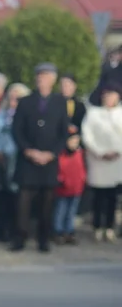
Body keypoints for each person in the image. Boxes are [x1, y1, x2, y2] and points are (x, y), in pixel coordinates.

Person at [11, 63, 69, 253]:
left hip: (49, 160)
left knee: (47, 202)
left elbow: (63, 133)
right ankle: (20, 237)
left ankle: (43, 239)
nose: (42, 80)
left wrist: (52, 153)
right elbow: (17, 130)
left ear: (53, 80)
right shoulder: (25, 101)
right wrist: (28, 150)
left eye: (46, 76)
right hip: (28, 159)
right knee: (23, 202)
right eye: (40, 76)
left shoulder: (60, 102)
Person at [0, 83, 31, 244]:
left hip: (16, 159)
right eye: (11, 98)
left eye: (17, 98)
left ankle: (14, 230)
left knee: (15, 197)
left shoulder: (26, 116)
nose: (13, 101)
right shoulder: (0, 114)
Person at [81, 82, 122, 242]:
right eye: (107, 95)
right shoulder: (94, 114)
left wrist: (116, 151)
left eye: (113, 95)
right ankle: (97, 226)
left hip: (117, 160)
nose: (110, 98)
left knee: (113, 196)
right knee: (98, 195)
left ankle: (110, 227)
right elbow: (87, 135)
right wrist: (100, 152)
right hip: (98, 159)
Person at [53, 128, 86, 245]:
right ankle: (58, 231)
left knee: (71, 211)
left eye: (77, 141)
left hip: (76, 188)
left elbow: (81, 170)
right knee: (60, 210)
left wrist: (82, 180)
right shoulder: (61, 155)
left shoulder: (79, 153)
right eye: (72, 141)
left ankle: (69, 231)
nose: (74, 144)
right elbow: (59, 170)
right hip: (63, 188)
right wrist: (61, 180)